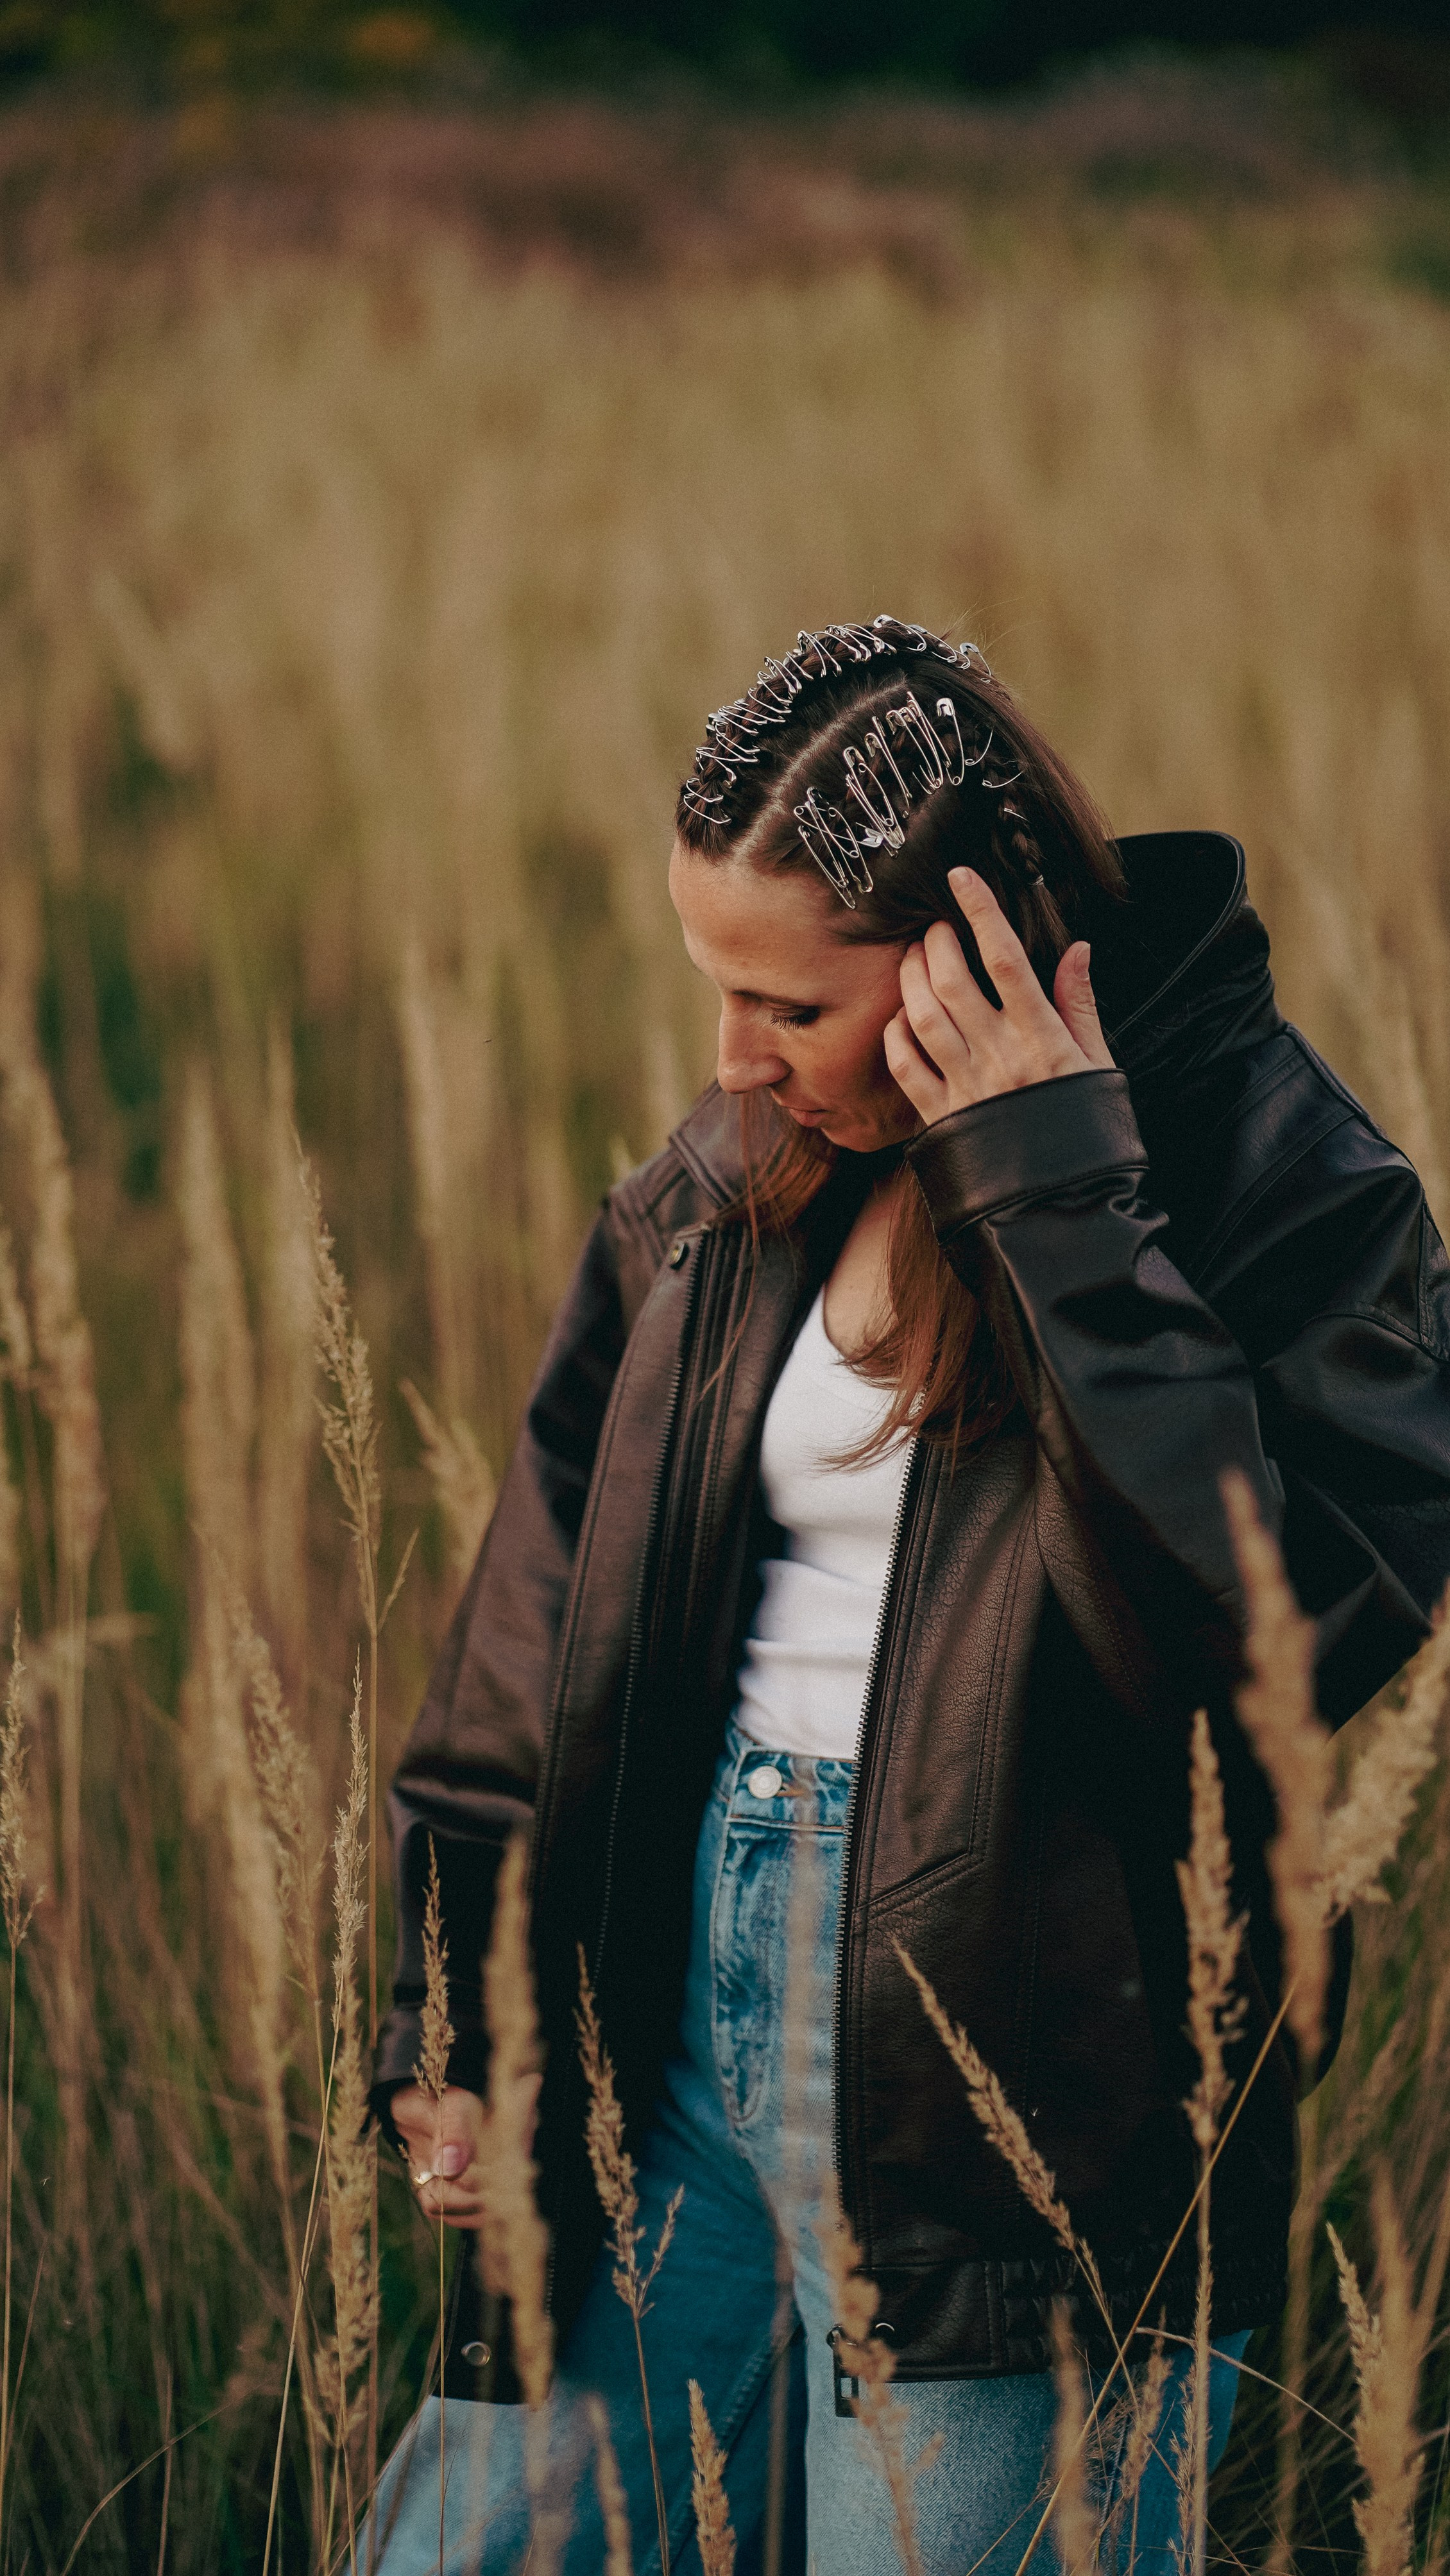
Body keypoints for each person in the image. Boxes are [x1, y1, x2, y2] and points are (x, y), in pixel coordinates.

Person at [368, 616, 1450, 2573]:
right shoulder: (731, 1177)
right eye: (713, 989)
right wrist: (449, 2003)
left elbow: (1257, 1645)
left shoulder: (1283, 1182)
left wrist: (1045, 1190)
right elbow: (538, 1618)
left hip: (1019, 2088)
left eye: (785, 1004)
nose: (728, 1059)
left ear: (965, 952)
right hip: (653, 2026)